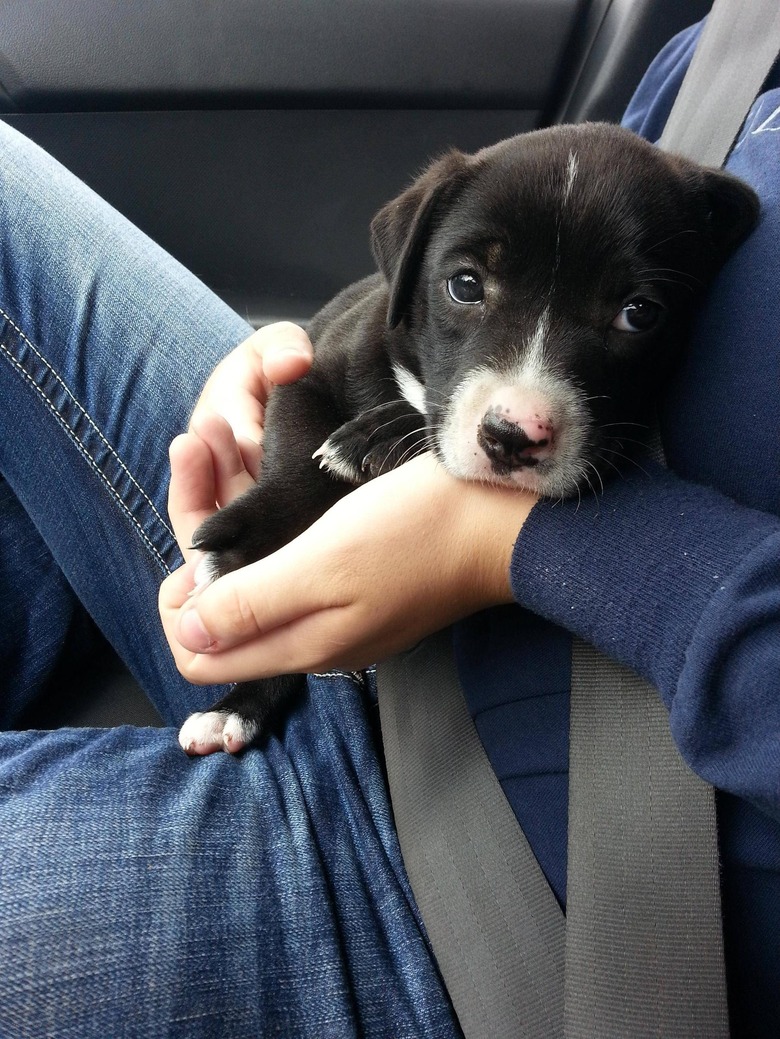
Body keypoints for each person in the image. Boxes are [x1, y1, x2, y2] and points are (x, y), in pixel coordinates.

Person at [1, 19, 778, 1038]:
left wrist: (498, 541)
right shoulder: (741, 38)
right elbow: (560, 215)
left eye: (630, 311)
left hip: (506, 906)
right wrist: (313, 353)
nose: (526, 398)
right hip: (421, 547)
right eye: (467, 284)